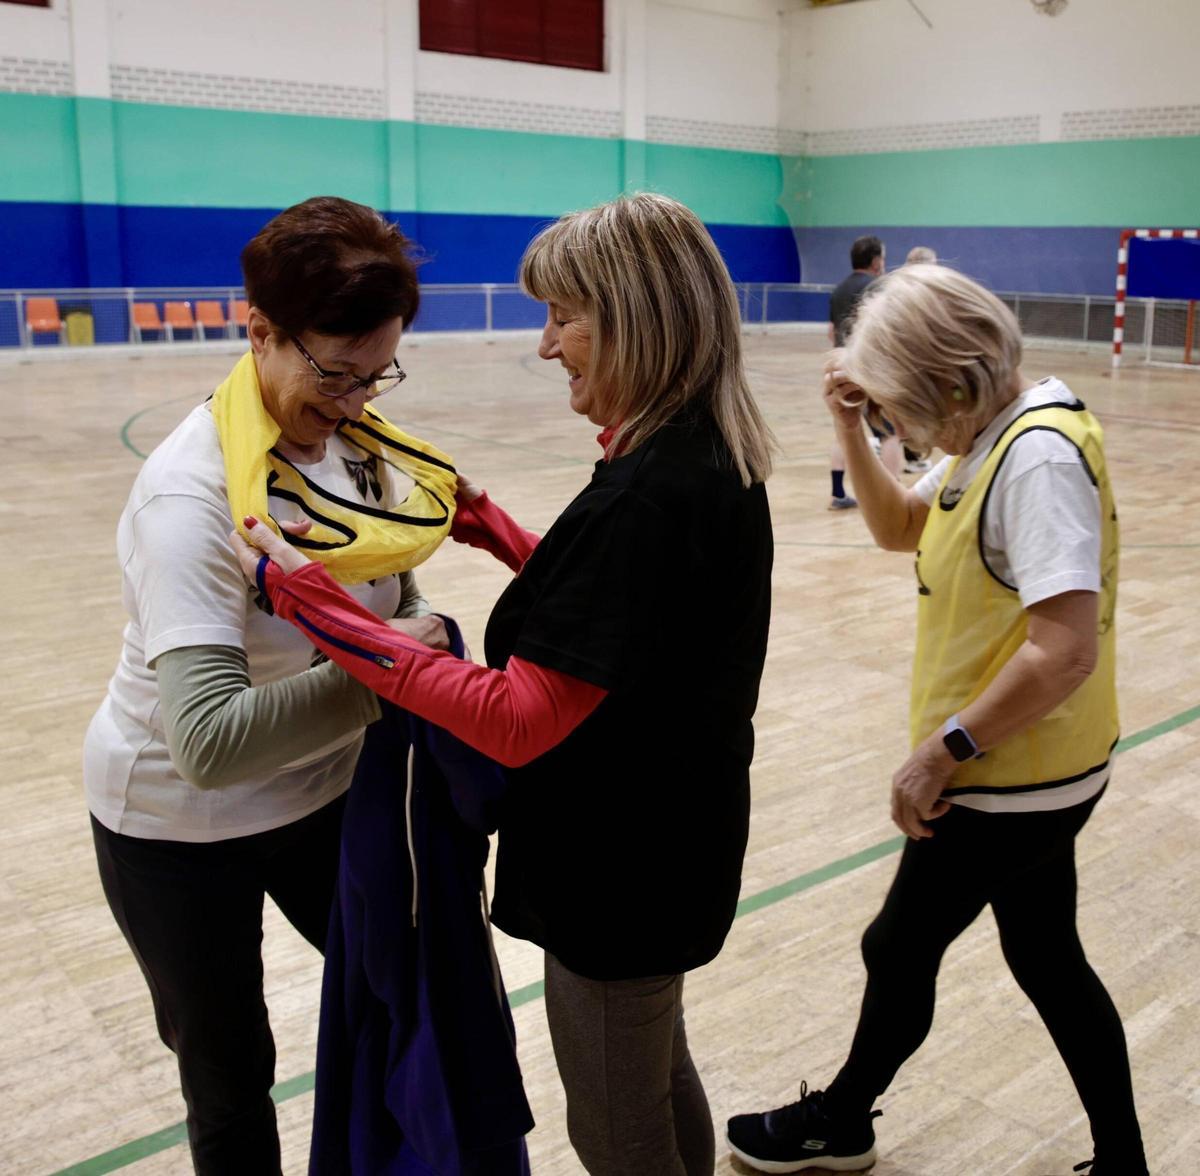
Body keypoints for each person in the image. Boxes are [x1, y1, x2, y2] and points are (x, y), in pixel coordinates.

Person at [232, 191, 776, 1176]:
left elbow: (519, 718)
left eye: (564, 317)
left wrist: (322, 611)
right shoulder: (701, 454)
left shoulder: (646, 498)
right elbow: (625, 625)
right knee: (656, 1074)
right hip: (673, 844)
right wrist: (500, 534)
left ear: (635, 321)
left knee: (618, 1127)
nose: (546, 345)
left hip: (619, 876)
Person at [727, 265, 1147, 1176]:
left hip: (1009, 775)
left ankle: (841, 1122)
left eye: (900, 412)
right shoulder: (991, 428)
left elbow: (1064, 647)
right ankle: (1125, 1158)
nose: (900, 432)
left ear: (952, 381)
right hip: (1037, 766)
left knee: (898, 944)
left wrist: (942, 752)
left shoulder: (1033, 456)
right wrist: (849, 424)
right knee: (1045, 956)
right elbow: (898, 528)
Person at [84, 196, 458, 1174]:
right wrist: (395, 669)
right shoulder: (188, 497)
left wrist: (397, 646)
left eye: (380, 373)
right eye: (337, 372)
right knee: (230, 1074)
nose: (358, 399)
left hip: (317, 793)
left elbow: (392, 589)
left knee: (403, 998)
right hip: (172, 824)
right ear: (258, 332)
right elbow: (207, 743)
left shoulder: (360, 449)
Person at [827, 235, 900, 507]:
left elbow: (831, 332)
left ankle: (837, 492)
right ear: (875, 260)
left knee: (845, 430)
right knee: (889, 433)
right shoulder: (879, 288)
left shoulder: (838, 290)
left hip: (843, 368)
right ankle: (891, 494)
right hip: (872, 369)